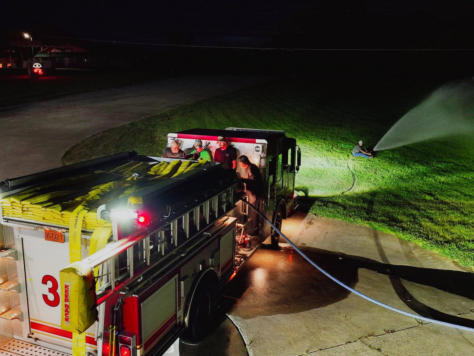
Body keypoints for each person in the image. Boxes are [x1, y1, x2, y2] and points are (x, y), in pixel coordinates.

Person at [238, 155, 265, 235]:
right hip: (253, 192)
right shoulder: (251, 167)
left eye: (240, 163)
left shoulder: (251, 169)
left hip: (255, 193)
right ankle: (253, 228)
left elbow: (253, 182)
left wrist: (242, 180)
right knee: (252, 211)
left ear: (244, 163)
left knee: (254, 212)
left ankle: (254, 230)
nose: (240, 165)